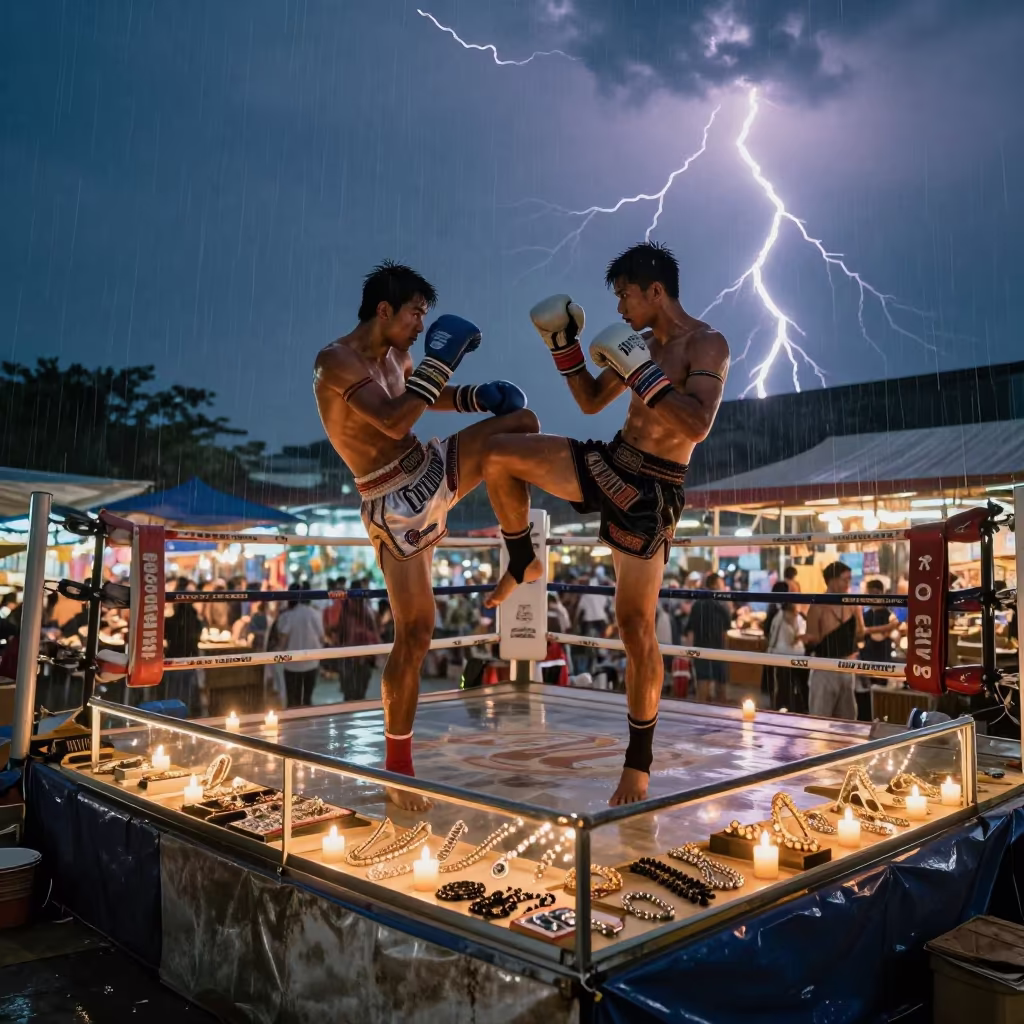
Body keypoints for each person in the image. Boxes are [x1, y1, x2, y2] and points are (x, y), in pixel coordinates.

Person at [481, 241, 730, 804]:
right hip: (612, 459)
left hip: (654, 488)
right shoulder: (637, 344)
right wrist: (563, 347)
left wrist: (641, 372)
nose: (618, 308)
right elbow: (591, 402)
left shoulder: (707, 343)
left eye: (624, 295)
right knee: (500, 453)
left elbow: (695, 425)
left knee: (635, 625)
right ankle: (523, 556)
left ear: (655, 291)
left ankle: (637, 764)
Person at [313, 260, 537, 808]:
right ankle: (399, 770)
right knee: (416, 634)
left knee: (521, 426)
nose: (420, 325)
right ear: (384, 309)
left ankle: (521, 555)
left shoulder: (399, 355)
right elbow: (392, 419)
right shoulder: (334, 361)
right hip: (393, 500)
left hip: (428, 467)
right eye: (416, 313)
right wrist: (440, 363)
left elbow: (421, 398)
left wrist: (474, 396)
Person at [803, 562, 864, 720]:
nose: (848, 584)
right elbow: (812, 639)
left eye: (850, 580)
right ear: (832, 580)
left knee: (848, 722)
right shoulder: (818, 606)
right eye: (845, 580)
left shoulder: (852, 604)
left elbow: (860, 633)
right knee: (820, 720)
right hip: (824, 667)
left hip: (846, 666)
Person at [275, 583, 327, 708]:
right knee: (307, 698)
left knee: (294, 700)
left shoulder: (289, 615)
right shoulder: (314, 613)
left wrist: (278, 654)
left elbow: (283, 639)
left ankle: (294, 724)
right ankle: (307, 724)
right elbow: (322, 637)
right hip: (312, 662)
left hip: (292, 664)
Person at [685, 573, 733, 703]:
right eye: (721, 583)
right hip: (719, 649)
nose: (723, 586)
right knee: (721, 686)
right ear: (716, 585)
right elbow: (726, 630)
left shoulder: (697, 604)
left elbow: (690, 630)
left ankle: (701, 715)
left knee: (702, 684)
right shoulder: (723, 605)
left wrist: (689, 653)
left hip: (700, 647)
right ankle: (718, 718)